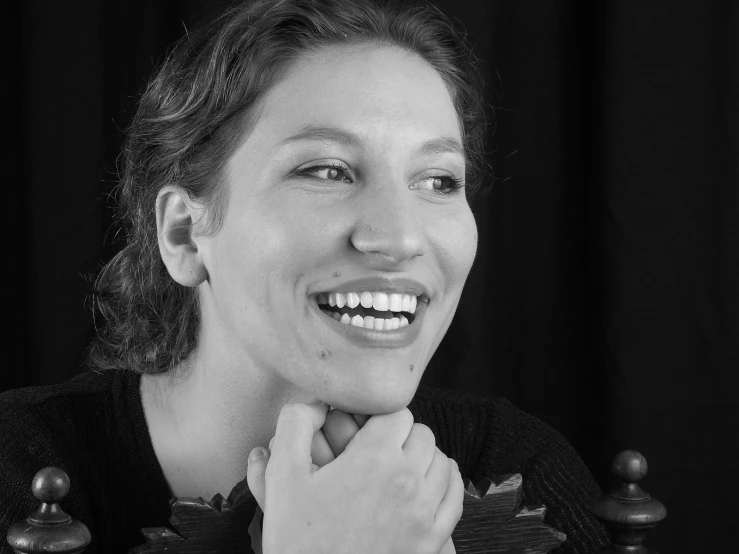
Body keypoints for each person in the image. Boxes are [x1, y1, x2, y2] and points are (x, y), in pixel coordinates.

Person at [0, 0, 610, 552]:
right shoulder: (19, 466)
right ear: (185, 233)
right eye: (326, 171)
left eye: (439, 181)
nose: (399, 237)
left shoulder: (516, 466)